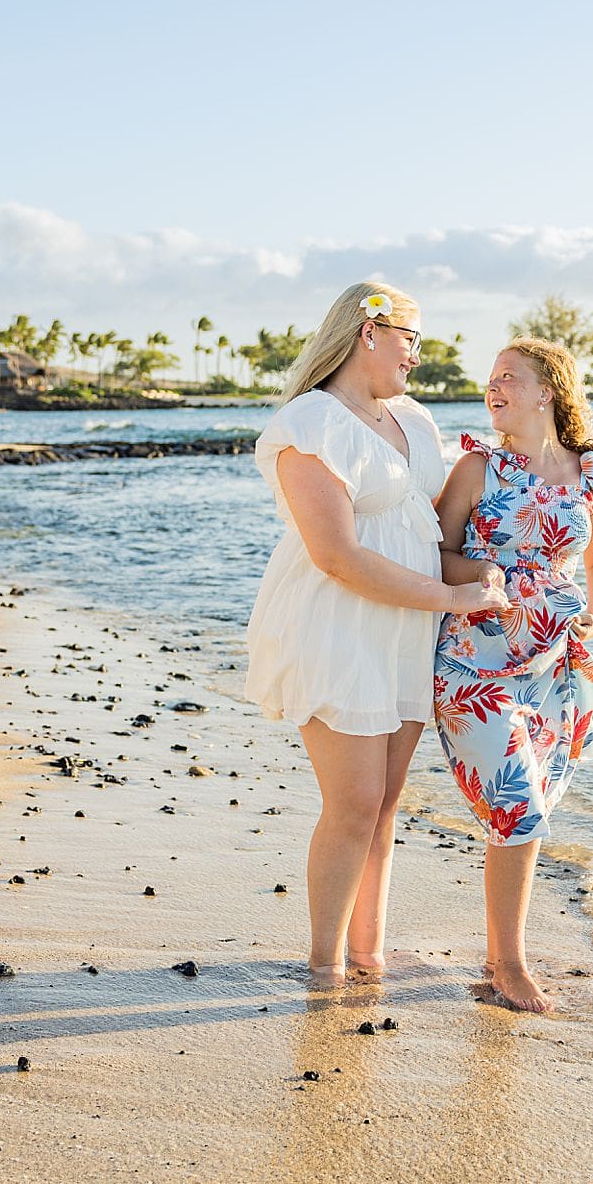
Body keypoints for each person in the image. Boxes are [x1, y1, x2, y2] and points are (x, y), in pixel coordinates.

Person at [246, 281, 505, 983]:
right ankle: (324, 962)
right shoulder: (311, 423)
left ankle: (369, 953)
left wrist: (487, 574)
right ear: (369, 332)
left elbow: (422, 530)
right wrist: (451, 595)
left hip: (404, 625)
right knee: (354, 801)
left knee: (385, 802)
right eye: (410, 339)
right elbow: (337, 555)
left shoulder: (414, 420)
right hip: (336, 623)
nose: (416, 356)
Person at [433, 338, 593, 1013]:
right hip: (474, 664)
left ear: (548, 390)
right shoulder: (476, 469)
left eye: (508, 377)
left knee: (528, 809)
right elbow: (435, 553)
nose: (494, 388)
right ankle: (508, 965)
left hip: (553, 668)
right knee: (519, 804)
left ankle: (499, 953)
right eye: (490, 380)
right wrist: (483, 576)